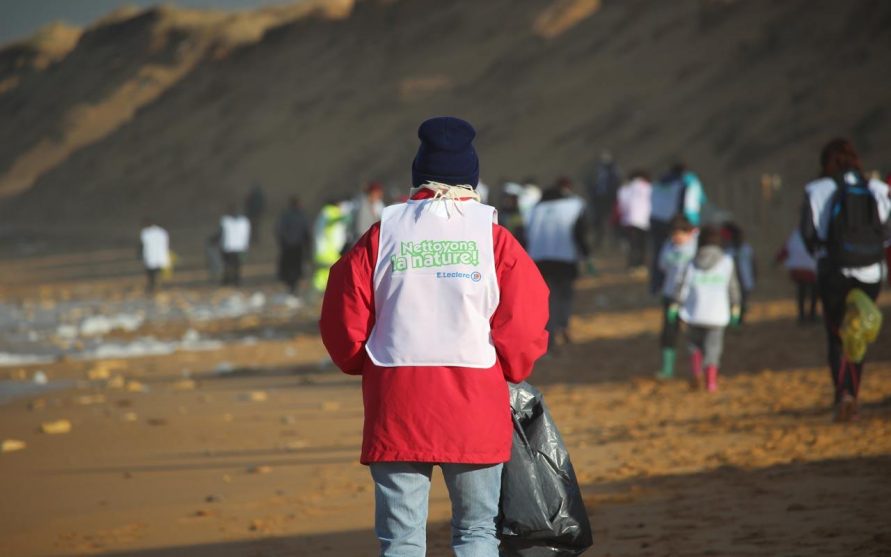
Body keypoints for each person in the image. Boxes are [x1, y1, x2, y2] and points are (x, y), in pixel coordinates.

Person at [319, 116, 549, 557]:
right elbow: (525, 315)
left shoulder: (382, 233)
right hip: (474, 400)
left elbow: (342, 308)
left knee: (402, 539)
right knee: (477, 533)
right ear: (472, 178)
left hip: (397, 399)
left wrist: (357, 359)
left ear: (418, 177)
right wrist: (513, 366)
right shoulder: (494, 238)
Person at [800, 138, 890, 421]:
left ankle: (843, 396)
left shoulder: (815, 190)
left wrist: (824, 254)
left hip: (834, 270)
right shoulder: (876, 188)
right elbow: (887, 233)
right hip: (871, 271)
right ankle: (855, 392)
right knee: (858, 332)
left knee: (837, 334)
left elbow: (809, 235)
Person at [671, 225, 742, 392]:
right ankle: (711, 382)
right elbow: (733, 288)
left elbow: (681, 286)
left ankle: (696, 371)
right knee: (713, 349)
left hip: (693, 313)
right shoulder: (727, 262)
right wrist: (736, 308)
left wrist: (675, 305)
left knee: (694, 346)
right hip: (717, 315)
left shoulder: (691, 263)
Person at [526, 176, 592, 353]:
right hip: (565, 258)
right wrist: (586, 255)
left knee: (548, 299)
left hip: (540, 260)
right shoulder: (573, 206)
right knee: (565, 295)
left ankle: (551, 334)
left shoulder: (536, 208)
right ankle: (563, 326)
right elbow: (580, 233)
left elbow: (526, 235)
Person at [648, 162, 707, 294]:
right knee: (683, 253)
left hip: (656, 220)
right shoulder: (684, 182)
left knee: (660, 253)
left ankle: (657, 286)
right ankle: (682, 286)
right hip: (674, 222)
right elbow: (688, 203)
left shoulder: (658, 183)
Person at [654, 215, 698, 380]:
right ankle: (667, 368)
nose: (676, 238)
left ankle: (696, 369)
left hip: (690, 297)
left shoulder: (696, 246)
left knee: (694, 334)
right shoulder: (668, 246)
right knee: (669, 332)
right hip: (670, 295)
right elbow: (662, 266)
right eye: (674, 234)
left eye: (680, 234)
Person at [775, 228, 818, 323]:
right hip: (812, 270)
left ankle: (802, 315)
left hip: (799, 270)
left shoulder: (795, 236)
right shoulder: (816, 233)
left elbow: (785, 250)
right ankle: (811, 315)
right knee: (814, 292)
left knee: (802, 292)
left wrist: (777, 260)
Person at [276, 196, 311, 296]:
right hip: (296, 247)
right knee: (295, 268)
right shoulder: (301, 216)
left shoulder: (286, 216)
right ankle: (293, 287)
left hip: (289, 247)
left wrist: (284, 242)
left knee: (290, 268)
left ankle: (291, 287)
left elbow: (279, 230)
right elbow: (307, 232)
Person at [586, 150, 622, 250]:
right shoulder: (598, 170)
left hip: (610, 198)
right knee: (598, 220)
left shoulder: (613, 171)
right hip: (598, 198)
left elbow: (617, 183)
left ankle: (614, 242)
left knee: (611, 220)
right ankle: (599, 242)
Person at [312, 197, 349, 292]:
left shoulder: (324, 212)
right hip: (328, 249)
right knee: (329, 270)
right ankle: (318, 291)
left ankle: (320, 291)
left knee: (324, 272)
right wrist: (343, 217)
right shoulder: (330, 211)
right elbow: (332, 220)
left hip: (328, 249)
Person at [617, 170, 652, 270]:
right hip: (644, 221)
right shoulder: (647, 187)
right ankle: (641, 264)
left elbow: (622, 205)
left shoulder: (625, 188)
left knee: (631, 245)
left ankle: (631, 265)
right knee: (642, 244)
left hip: (628, 221)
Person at [722, 222, 755, 324]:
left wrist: (753, 279)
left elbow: (753, 265)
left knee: (742, 303)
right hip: (729, 283)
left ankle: (739, 320)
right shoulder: (726, 251)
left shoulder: (746, 249)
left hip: (745, 281)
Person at [220, 206, 251, 286]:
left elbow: (221, 233)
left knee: (229, 265)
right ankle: (234, 280)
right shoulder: (244, 221)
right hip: (239, 247)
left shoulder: (225, 221)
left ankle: (229, 280)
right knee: (236, 265)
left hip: (229, 247)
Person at [139, 219, 169, 293]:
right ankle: (156, 286)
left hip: (152, 255)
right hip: (158, 255)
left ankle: (154, 287)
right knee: (156, 272)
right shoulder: (162, 232)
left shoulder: (145, 233)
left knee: (152, 273)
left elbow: (142, 245)